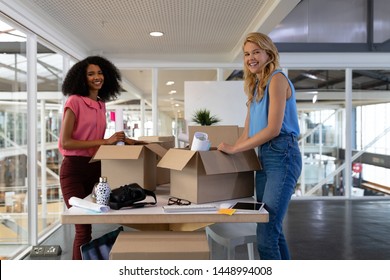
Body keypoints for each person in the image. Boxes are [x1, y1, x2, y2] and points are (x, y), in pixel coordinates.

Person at [217, 32, 302, 260]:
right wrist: (230, 151)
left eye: (256, 52)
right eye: (246, 54)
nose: (250, 58)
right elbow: (248, 131)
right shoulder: (256, 87)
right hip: (264, 156)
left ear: (268, 53)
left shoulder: (277, 79)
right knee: (271, 229)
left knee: (266, 236)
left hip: (282, 155)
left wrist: (236, 150)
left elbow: (273, 129)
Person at [59, 55, 131, 260]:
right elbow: (66, 142)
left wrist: (120, 141)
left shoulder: (101, 104)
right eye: (90, 74)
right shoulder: (74, 101)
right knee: (83, 229)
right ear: (82, 78)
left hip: (97, 167)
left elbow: (99, 140)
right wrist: (104, 142)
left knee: (112, 213)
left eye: (99, 73)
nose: (96, 77)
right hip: (74, 169)